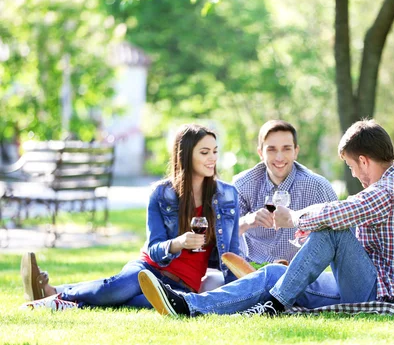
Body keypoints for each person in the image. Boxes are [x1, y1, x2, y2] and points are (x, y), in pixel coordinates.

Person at [137, 119, 394, 317]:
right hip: (379, 281)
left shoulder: (385, 191)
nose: (355, 175)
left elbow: (338, 214)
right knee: (272, 274)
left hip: (383, 292)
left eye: (352, 168)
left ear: (364, 161)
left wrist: (292, 218)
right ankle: (189, 305)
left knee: (331, 228)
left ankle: (275, 303)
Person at [20, 124, 241, 310]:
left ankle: (55, 296)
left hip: (181, 287)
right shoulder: (161, 194)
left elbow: (231, 253)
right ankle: (50, 299)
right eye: (204, 152)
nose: (212, 158)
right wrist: (178, 243)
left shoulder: (228, 196)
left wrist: (240, 294)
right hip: (149, 269)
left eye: (215, 151)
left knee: (131, 302)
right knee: (114, 290)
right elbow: (154, 248)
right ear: (185, 155)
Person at [233, 119, 338, 264]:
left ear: (296, 152)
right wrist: (247, 221)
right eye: (271, 149)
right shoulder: (242, 185)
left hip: (300, 273)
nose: (279, 157)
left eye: (286, 149)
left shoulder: (318, 186)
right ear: (260, 153)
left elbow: (340, 237)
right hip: (252, 271)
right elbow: (223, 237)